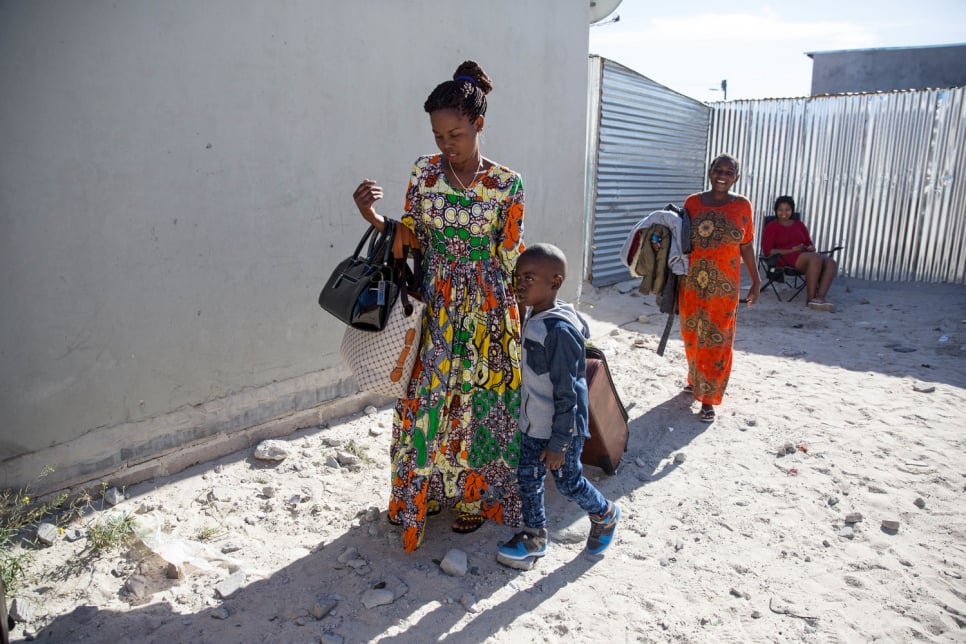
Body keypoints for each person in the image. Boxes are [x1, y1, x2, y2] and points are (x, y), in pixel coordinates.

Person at [351, 61, 524, 552]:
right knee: (425, 399)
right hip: (435, 303)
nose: (446, 143)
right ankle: (421, 492)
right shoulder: (425, 173)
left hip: (489, 307)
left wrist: (526, 315)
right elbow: (410, 240)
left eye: (456, 133)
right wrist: (372, 216)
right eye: (437, 133)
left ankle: (471, 496)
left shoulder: (508, 184)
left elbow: (510, 253)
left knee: (477, 401)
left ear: (479, 126)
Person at [496, 244, 620, 567]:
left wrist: (559, 443)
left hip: (559, 429)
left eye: (530, 278)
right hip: (534, 424)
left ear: (555, 282)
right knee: (528, 478)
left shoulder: (560, 331)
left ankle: (605, 513)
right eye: (518, 277)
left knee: (568, 481)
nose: (520, 284)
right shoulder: (534, 315)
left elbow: (570, 393)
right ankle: (535, 537)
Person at [679, 154, 760, 423]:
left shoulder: (742, 206)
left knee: (718, 340)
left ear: (736, 176)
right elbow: (679, 240)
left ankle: (708, 400)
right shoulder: (692, 203)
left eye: (729, 171)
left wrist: (756, 280)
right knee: (692, 335)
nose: (722, 175)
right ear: (710, 172)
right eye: (718, 170)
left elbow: (746, 245)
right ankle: (695, 379)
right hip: (691, 284)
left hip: (724, 288)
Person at [761, 195, 838, 311]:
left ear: (792, 210)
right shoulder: (772, 226)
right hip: (783, 257)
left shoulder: (799, 225)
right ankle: (810, 299)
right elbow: (768, 251)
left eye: (787, 209)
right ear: (776, 211)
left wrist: (810, 248)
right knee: (815, 259)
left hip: (804, 255)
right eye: (780, 210)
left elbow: (809, 243)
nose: (784, 213)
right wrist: (792, 250)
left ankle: (820, 298)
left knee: (830, 262)